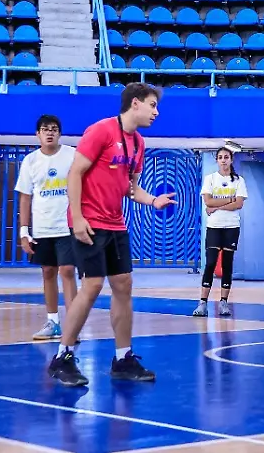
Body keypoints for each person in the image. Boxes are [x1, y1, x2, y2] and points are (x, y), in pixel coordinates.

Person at [48, 83, 176, 387]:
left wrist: (153, 200)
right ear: (135, 103)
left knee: (123, 284)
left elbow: (131, 189)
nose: (156, 112)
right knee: (92, 285)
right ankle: (62, 356)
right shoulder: (101, 131)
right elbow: (75, 173)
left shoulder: (138, 143)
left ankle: (122, 358)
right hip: (90, 221)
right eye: (152, 105)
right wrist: (78, 218)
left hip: (115, 223)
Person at [15, 114, 78, 341]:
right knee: (48, 271)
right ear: (38, 134)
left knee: (67, 270)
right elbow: (25, 197)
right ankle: (53, 322)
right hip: (43, 227)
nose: (49, 133)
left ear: (59, 134)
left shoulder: (72, 155)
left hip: (68, 225)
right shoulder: (30, 161)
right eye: (45, 129)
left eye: (53, 129)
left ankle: (73, 324)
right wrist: (24, 232)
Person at [193, 146, 248, 317]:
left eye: (226, 157)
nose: (223, 160)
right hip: (214, 227)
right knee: (210, 263)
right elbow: (208, 202)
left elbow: (239, 204)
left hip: (231, 226)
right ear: (216, 160)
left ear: (231, 160)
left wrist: (217, 206)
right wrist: (229, 200)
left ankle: (224, 302)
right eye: (220, 157)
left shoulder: (239, 181)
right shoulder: (210, 179)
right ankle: (203, 303)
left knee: (227, 264)